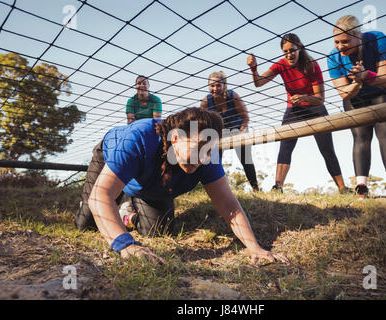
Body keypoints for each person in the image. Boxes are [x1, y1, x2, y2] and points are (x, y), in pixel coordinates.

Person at [74, 107, 288, 265]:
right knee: (87, 224)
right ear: (175, 138)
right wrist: (126, 245)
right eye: (197, 148)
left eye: (208, 151)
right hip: (111, 162)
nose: (202, 158)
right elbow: (99, 196)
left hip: (151, 186)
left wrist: (255, 247)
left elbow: (228, 206)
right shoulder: (138, 138)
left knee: (158, 231)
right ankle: (122, 200)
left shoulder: (207, 156)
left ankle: (127, 213)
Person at [247, 33, 348, 193]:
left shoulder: (311, 65)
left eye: (292, 50)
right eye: (285, 51)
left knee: (327, 149)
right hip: (294, 110)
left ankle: (342, 188)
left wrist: (304, 97)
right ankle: (278, 186)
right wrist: (254, 68)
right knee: (285, 146)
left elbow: (320, 99)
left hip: (315, 108)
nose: (289, 54)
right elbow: (259, 83)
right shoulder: (280, 65)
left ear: (300, 48)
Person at [327, 15, 386, 200]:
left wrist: (366, 75)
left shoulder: (377, 39)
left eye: (345, 41)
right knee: (360, 136)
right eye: (336, 41)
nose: (340, 46)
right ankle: (361, 187)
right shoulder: (333, 57)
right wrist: (357, 83)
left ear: (357, 35)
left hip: (384, 90)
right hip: (357, 95)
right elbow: (344, 93)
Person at [200, 71, 260, 192]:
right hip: (220, 133)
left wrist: (241, 133)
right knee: (215, 160)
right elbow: (202, 123)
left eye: (218, 85)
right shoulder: (206, 102)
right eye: (212, 86)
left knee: (246, 160)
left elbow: (245, 118)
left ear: (224, 85)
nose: (215, 89)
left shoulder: (233, 96)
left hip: (239, 129)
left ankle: (256, 189)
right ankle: (218, 190)